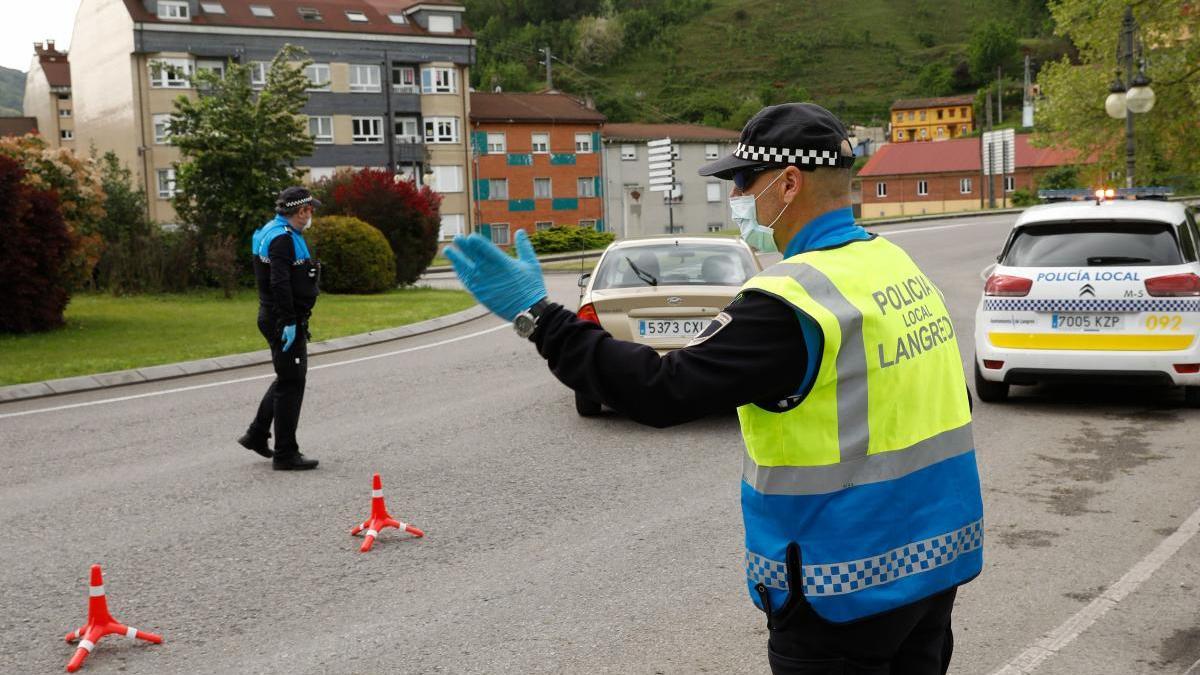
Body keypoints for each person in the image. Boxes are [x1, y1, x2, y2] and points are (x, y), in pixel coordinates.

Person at [446, 103, 984, 674]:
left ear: (789, 182)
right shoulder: (891, 264)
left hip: (844, 586)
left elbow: (659, 390)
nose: (736, 196)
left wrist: (540, 317)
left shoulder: (792, 300)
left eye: (740, 181)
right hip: (932, 562)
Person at [237, 186, 322, 471]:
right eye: (310, 210)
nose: (312, 215)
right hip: (282, 318)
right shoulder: (282, 240)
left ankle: (257, 434)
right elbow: (279, 282)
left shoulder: (270, 231)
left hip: (275, 315)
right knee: (292, 382)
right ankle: (286, 453)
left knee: (287, 377)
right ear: (301, 211)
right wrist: (288, 322)